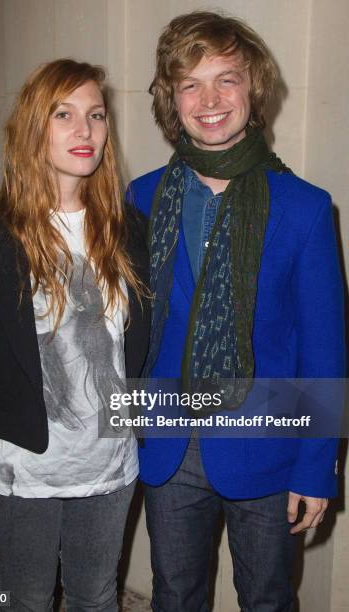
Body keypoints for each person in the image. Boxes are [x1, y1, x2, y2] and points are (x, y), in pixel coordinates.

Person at [127, 11, 345, 612]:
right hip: (166, 440)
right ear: (171, 98)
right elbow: (127, 327)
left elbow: (324, 348)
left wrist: (315, 469)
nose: (210, 99)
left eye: (227, 79)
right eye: (189, 83)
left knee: (269, 600)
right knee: (174, 595)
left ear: (255, 89)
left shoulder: (304, 208)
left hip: (270, 442)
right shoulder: (142, 197)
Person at [0, 59, 150, 611]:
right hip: (23, 465)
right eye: (65, 114)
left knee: (96, 595)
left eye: (96, 115)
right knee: (28, 599)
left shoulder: (128, 230)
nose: (85, 131)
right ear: (35, 127)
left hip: (109, 461)